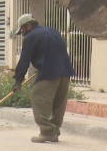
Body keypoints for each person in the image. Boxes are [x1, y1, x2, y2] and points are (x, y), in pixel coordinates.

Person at [11, 13, 75, 143]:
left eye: (22, 30)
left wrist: (18, 80)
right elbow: (52, 50)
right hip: (65, 71)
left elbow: (24, 60)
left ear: (28, 26)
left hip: (49, 72)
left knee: (38, 98)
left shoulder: (30, 37)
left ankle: (47, 132)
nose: (22, 33)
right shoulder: (52, 30)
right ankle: (54, 130)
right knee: (58, 103)